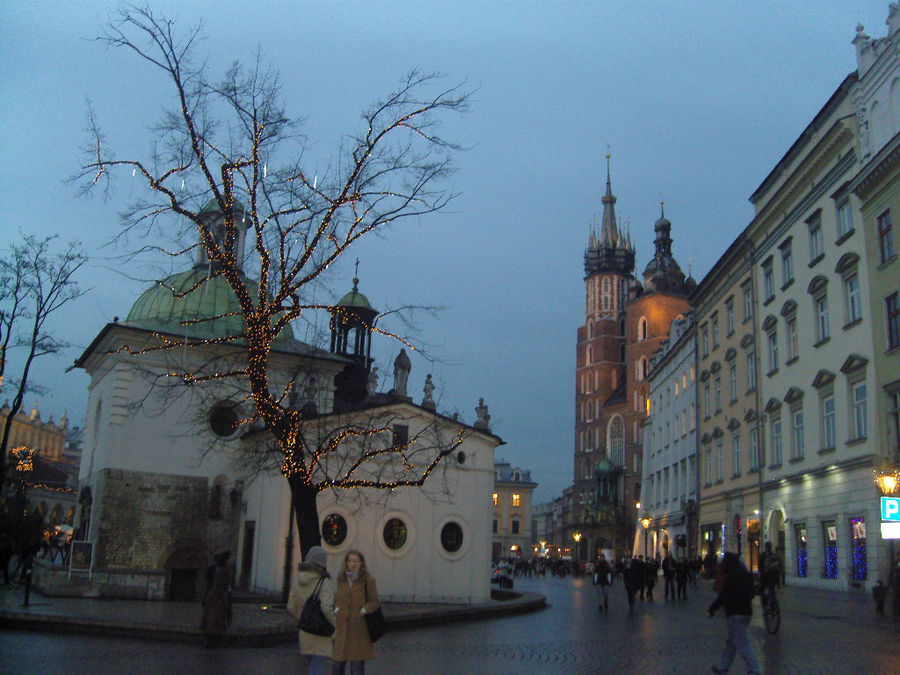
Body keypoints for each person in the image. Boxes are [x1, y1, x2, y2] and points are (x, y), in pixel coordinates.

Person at [708, 551, 761, 675]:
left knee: (743, 642)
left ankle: (754, 669)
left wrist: (712, 608)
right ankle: (723, 666)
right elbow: (752, 592)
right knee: (732, 642)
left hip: (734, 613)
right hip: (746, 612)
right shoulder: (746, 574)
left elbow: (723, 595)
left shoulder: (730, 576)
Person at [288, 546, 336, 675]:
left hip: (305, 632)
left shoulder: (297, 579)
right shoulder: (325, 582)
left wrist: (304, 618)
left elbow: (291, 606)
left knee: (312, 665)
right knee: (317, 667)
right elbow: (326, 608)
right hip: (321, 632)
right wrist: (336, 624)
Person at [333, 550, 381, 675]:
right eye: (350, 561)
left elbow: (375, 601)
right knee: (337, 668)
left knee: (357, 669)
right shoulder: (341, 580)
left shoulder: (368, 580)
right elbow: (337, 598)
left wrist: (364, 609)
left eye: (356, 561)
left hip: (359, 630)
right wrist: (336, 609)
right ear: (346, 563)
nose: (353, 564)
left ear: (361, 563)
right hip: (342, 630)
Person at [200, 551, 232, 647]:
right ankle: (209, 639)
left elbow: (226, 585)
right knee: (211, 618)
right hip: (214, 597)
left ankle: (214, 639)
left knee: (217, 619)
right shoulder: (216, 570)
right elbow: (209, 584)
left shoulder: (224, 570)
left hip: (219, 597)